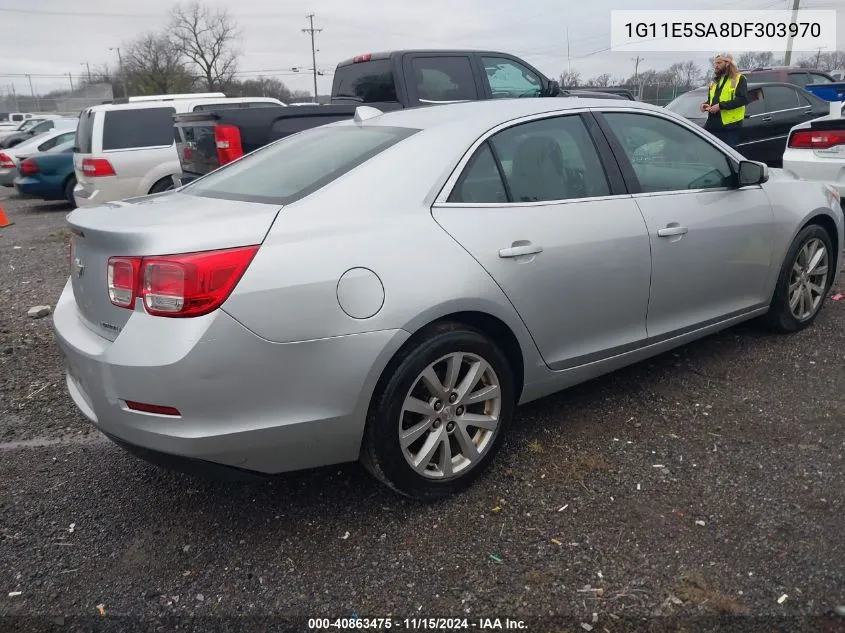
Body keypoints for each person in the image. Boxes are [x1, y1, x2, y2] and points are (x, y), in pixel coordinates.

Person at [700, 53, 748, 148]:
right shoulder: (715, 81)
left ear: (727, 64)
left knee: (729, 154)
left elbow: (742, 99)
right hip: (712, 124)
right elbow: (712, 100)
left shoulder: (739, 79)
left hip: (729, 126)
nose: (716, 65)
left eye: (719, 63)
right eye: (715, 63)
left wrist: (720, 106)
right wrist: (705, 104)